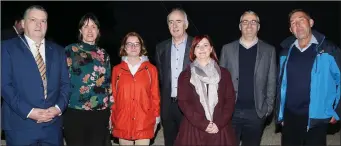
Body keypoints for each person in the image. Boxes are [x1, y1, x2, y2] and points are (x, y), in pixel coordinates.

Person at [1, 5, 70, 146]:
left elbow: (66, 84)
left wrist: (57, 108)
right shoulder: (6, 48)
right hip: (20, 125)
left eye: (43, 21)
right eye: (33, 20)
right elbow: (4, 85)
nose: (39, 25)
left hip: (52, 127)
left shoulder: (58, 51)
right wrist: (29, 111)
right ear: (23, 23)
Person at [276, 9, 341, 146]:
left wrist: (336, 111)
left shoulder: (329, 49)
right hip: (290, 116)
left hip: (317, 116)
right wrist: (280, 114)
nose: (297, 24)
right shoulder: (285, 52)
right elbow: (280, 84)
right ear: (290, 29)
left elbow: (339, 80)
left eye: (301, 20)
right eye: (293, 23)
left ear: (311, 22)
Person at [219, 10, 277, 146]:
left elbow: (272, 80)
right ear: (240, 26)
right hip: (231, 111)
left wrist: (268, 108)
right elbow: (220, 80)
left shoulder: (269, 50)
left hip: (256, 112)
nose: (249, 25)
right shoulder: (227, 49)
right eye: (245, 21)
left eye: (253, 22)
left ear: (258, 26)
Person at [175, 35, 237, 146]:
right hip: (194, 128)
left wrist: (219, 123)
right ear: (193, 51)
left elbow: (230, 100)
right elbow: (183, 103)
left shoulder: (224, 73)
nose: (202, 49)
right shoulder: (185, 75)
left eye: (205, 45)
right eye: (198, 46)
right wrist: (203, 124)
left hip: (219, 128)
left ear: (211, 49)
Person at [63, 13, 113, 146]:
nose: (90, 30)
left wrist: (111, 110)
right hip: (74, 111)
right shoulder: (70, 50)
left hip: (100, 113)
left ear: (98, 31)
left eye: (93, 26)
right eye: (86, 27)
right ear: (80, 30)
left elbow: (108, 85)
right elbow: (61, 81)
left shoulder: (104, 54)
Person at [111, 32, 160, 145]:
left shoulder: (151, 69)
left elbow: (155, 96)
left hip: (144, 122)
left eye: (137, 44)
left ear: (141, 47)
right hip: (123, 122)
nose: (133, 47)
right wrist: (113, 118)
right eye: (130, 44)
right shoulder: (117, 70)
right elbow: (114, 96)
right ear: (124, 47)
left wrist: (156, 118)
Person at [155, 8, 193, 146]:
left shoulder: (197, 45)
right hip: (168, 106)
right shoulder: (161, 48)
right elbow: (161, 78)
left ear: (186, 24)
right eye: (171, 22)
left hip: (190, 106)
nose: (174, 26)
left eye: (178, 21)